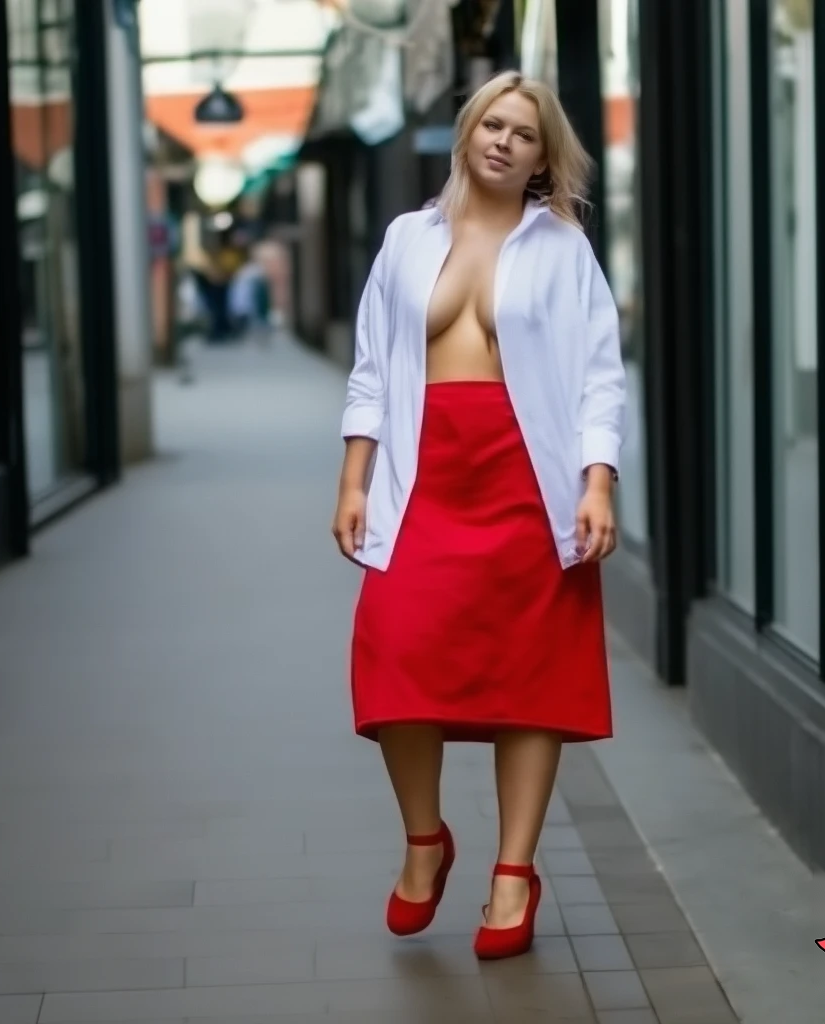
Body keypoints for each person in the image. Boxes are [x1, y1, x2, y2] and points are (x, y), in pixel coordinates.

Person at [331, 70, 626, 961]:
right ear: (467, 133)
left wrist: (598, 482)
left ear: (543, 157)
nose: (503, 140)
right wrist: (354, 480)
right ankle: (427, 840)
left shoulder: (563, 247)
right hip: (424, 482)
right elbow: (373, 371)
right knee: (396, 661)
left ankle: (513, 872)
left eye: (524, 134)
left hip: (526, 485)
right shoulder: (406, 240)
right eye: (492, 124)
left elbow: (598, 377)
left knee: (531, 680)